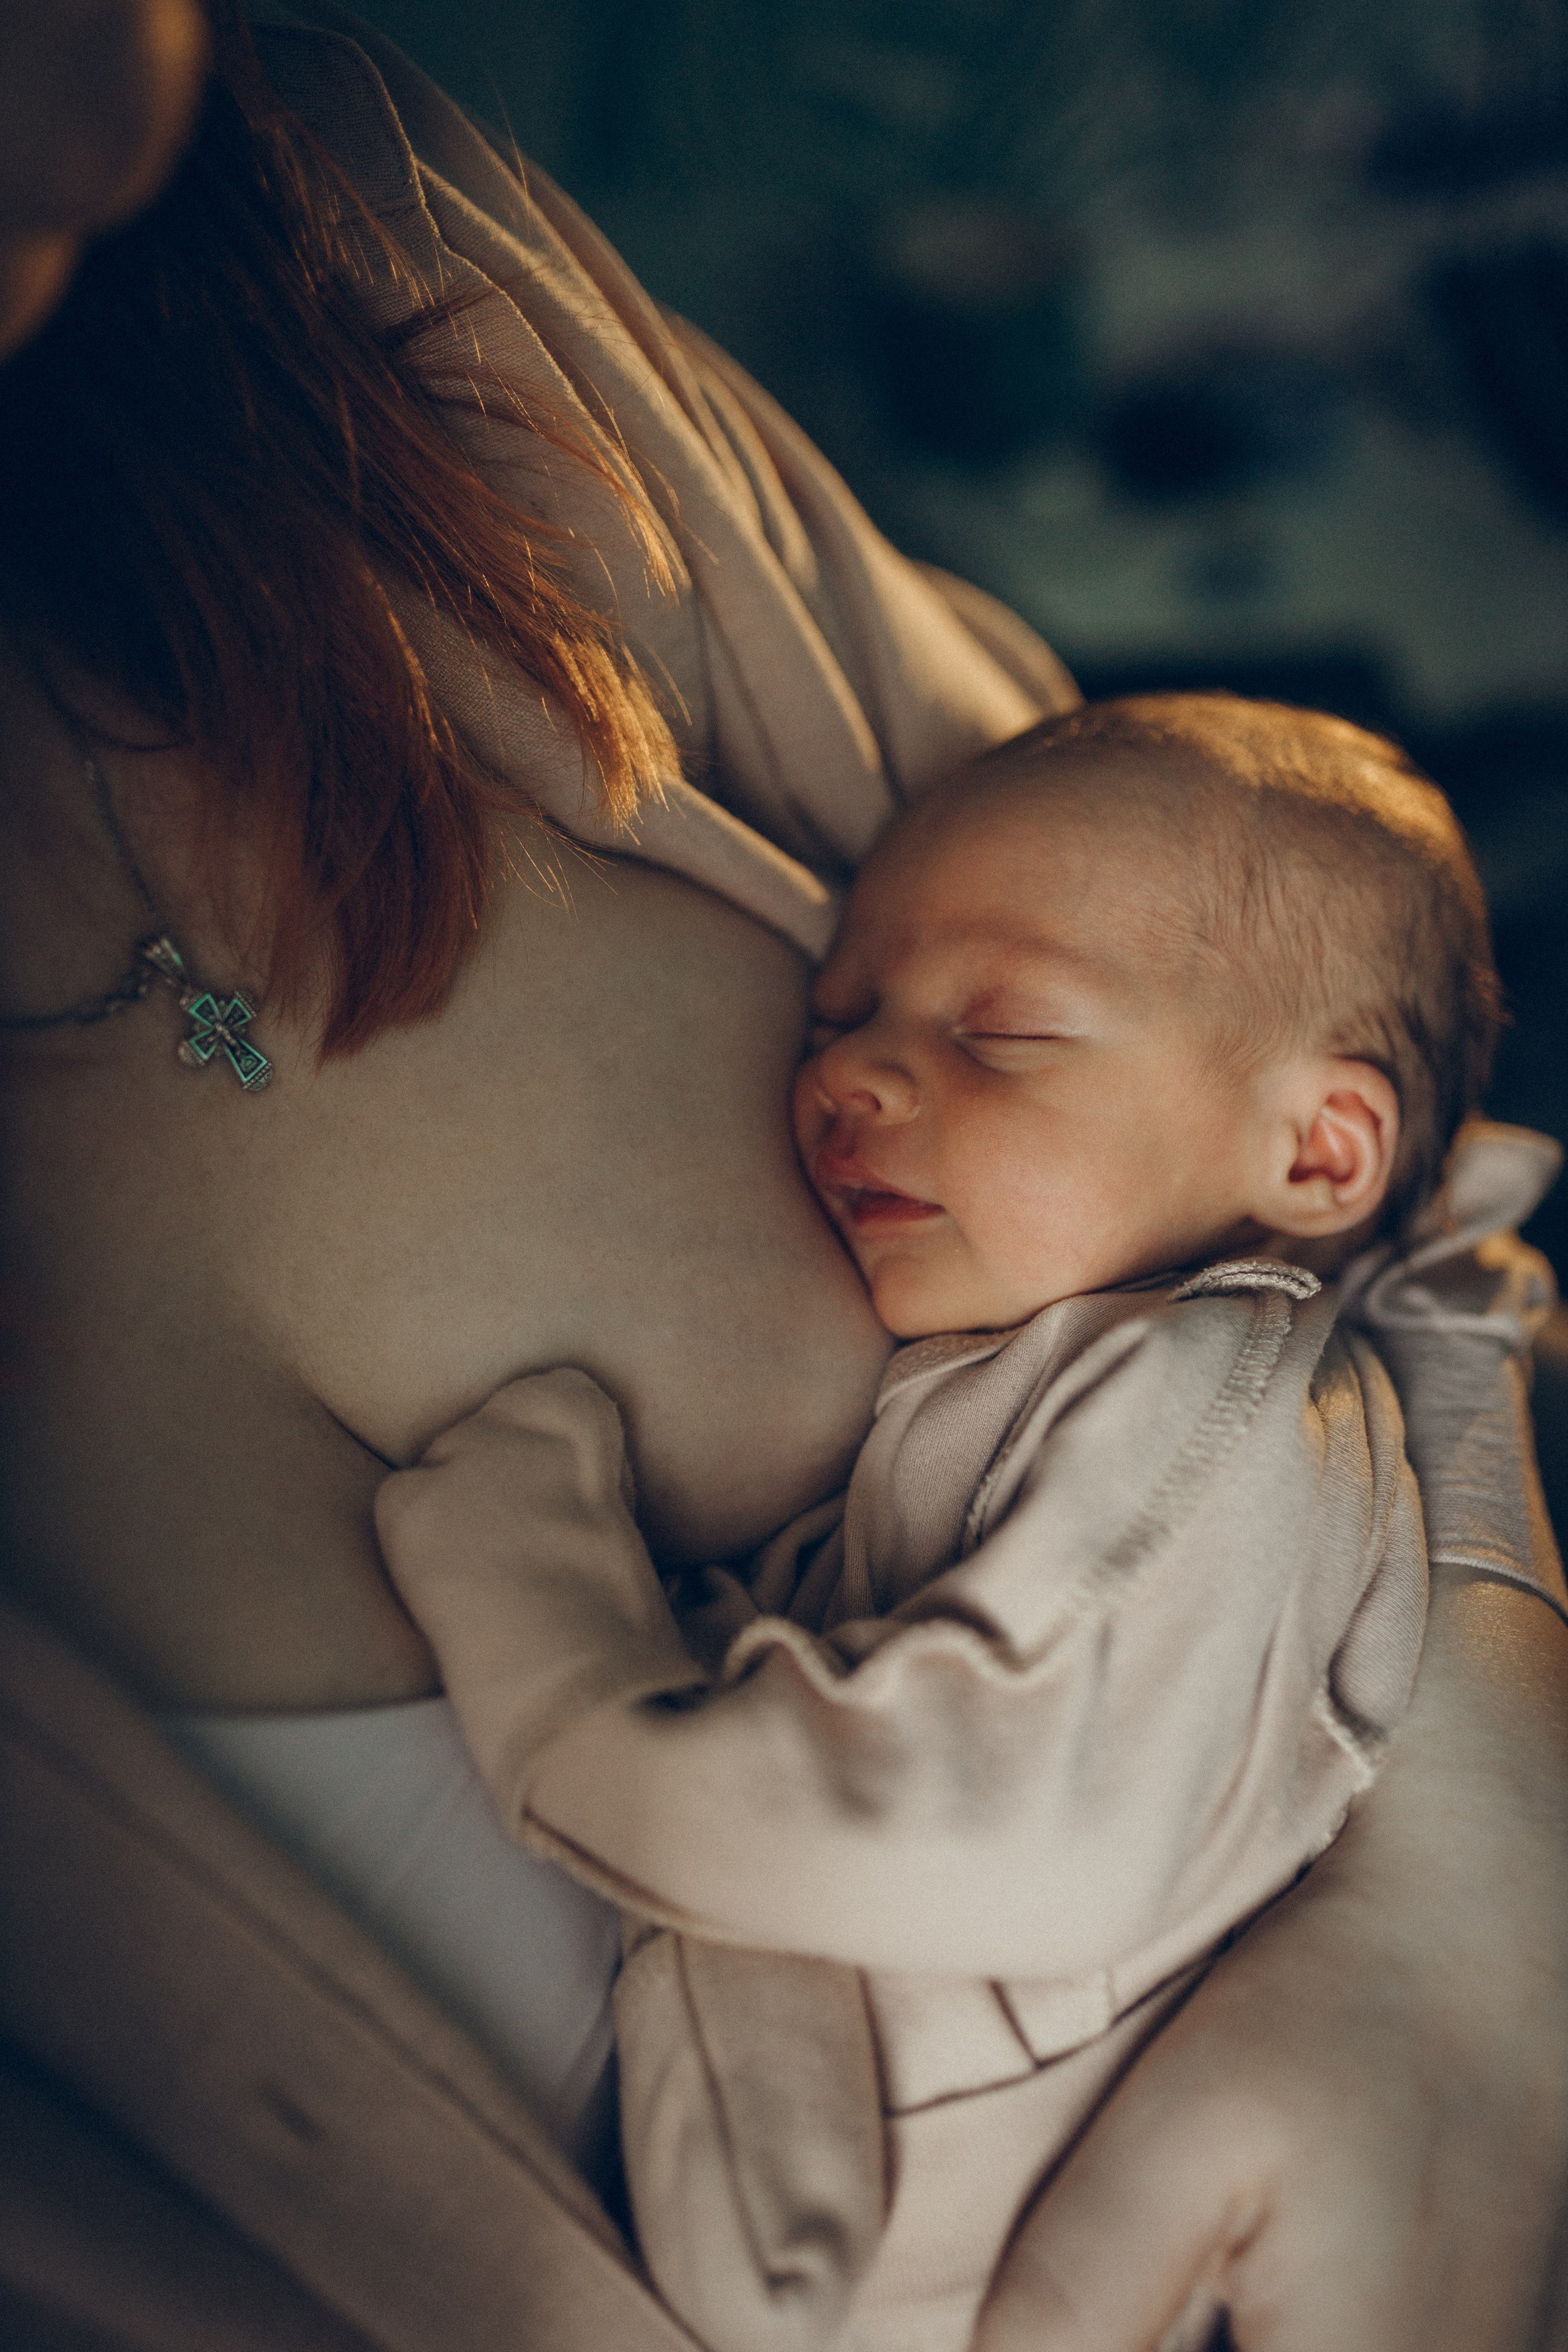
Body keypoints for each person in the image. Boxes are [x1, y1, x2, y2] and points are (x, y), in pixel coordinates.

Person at [0, 8, 1564, 2350]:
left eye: (979, 1031)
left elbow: (1364, 1131)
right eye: (840, 1013)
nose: (119, 101)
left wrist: (1481, 1867)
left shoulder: (330, 261)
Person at [376, 694, 1563, 2352]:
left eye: (1002, 1029)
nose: (857, 1066)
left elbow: (1023, 1826)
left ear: (1319, 1152)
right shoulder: (1033, 1388)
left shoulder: (1225, 1411)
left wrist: (558, 1646)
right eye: (843, 1008)